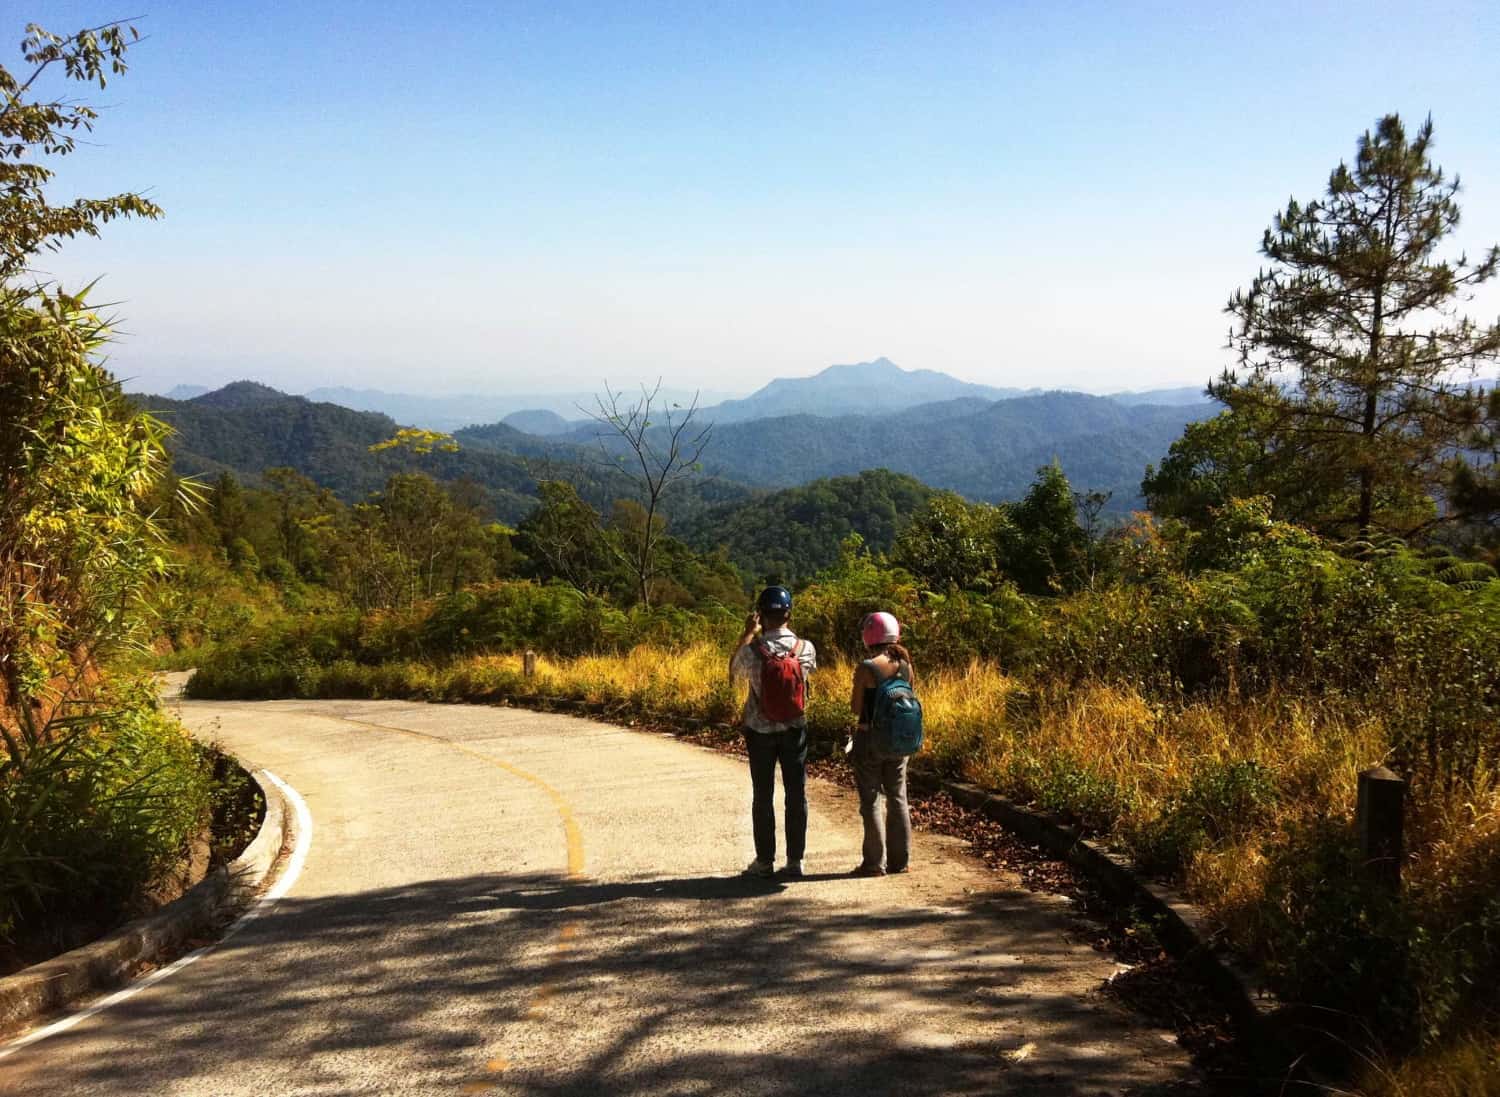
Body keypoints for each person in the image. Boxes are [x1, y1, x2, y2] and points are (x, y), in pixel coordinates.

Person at [729, 586, 817, 879]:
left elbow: (733, 673)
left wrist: (748, 634)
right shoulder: (805, 648)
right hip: (795, 729)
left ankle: (764, 861)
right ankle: (795, 861)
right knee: (796, 794)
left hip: (760, 730)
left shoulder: (751, 651)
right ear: (788, 613)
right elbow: (806, 681)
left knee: (762, 795)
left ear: (760, 615)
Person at [849, 611, 914, 876]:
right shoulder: (906, 664)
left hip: (869, 739)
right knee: (898, 797)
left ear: (869, 636)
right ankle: (900, 862)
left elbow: (856, 708)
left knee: (871, 800)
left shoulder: (868, 667)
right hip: (900, 740)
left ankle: (874, 863)